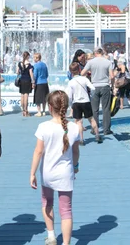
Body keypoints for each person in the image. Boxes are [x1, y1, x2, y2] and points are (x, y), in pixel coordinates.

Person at [30, 90, 80, 245]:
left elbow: (38, 152)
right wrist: (76, 166)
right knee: (66, 210)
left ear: (50, 107)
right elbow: (76, 151)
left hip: (48, 173)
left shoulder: (43, 127)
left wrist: (32, 173)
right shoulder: (74, 127)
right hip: (65, 173)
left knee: (47, 203)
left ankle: (51, 236)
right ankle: (66, 243)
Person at [81, 47, 114, 136]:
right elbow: (112, 76)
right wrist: (113, 86)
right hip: (105, 86)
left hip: (94, 86)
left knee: (94, 110)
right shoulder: (108, 62)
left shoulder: (91, 62)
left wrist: (90, 74)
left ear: (95, 53)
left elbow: (82, 73)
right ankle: (106, 130)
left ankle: (94, 129)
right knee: (106, 109)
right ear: (102, 53)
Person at [66, 62, 101, 145]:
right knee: (91, 119)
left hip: (76, 103)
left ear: (70, 72)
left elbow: (70, 96)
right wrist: (91, 95)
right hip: (86, 101)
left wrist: (71, 105)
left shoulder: (70, 82)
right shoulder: (85, 79)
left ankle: (81, 139)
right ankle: (97, 135)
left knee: (79, 122)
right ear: (79, 70)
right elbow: (92, 88)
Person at [17, 51, 35, 117]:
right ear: (28, 56)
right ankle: (26, 110)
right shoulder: (29, 64)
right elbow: (31, 74)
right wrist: (33, 82)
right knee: (26, 95)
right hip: (27, 80)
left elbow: (17, 72)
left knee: (22, 95)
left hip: (21, 80)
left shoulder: (20, 63)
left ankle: (23, 111)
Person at [33, 53, 50, 117]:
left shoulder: (36, 66)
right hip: (45, 82)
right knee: (44, 98)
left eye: (34, 58)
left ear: (37, 58)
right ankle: (44, 111)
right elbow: (47, 74)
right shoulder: (44, 65)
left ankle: (39, 111)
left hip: (38, 83)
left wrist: (33, 82)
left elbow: (35, 75)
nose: (34, 59)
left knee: (38, 98)